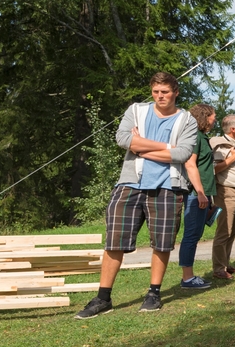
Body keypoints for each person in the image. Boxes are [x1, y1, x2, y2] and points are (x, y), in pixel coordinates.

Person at [75, 72, 198, 318]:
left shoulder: (187, 120)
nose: (160, 96)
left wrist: (142, 145)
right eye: (155, 92)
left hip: (168, 186)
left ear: (175, 92)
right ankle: (103, 298)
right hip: (130, 183)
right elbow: (123, 139)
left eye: (165, 92)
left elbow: (182, 154)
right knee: (114, 241)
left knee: (161, 243)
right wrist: (164, 147)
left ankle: (153, 293)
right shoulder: (137, 110)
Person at [178, 103, 217, 290]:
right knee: (191, 235)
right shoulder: (195, 137)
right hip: (195, 194)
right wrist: (200, 193)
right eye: (212, 116)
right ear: (204, 116)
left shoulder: (203, 137)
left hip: (203, 193)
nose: (214, 119)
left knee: (196, 233)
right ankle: (187, 278)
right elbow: (190, 164)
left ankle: (189, 276)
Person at [208, 114, 235, 281]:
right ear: (233, 129)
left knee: (233, 230)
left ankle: (225, 263)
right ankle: (218, 268)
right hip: (226, 193)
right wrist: (232, 158)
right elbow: (213, 170)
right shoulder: (220, 145)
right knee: (224, 231)